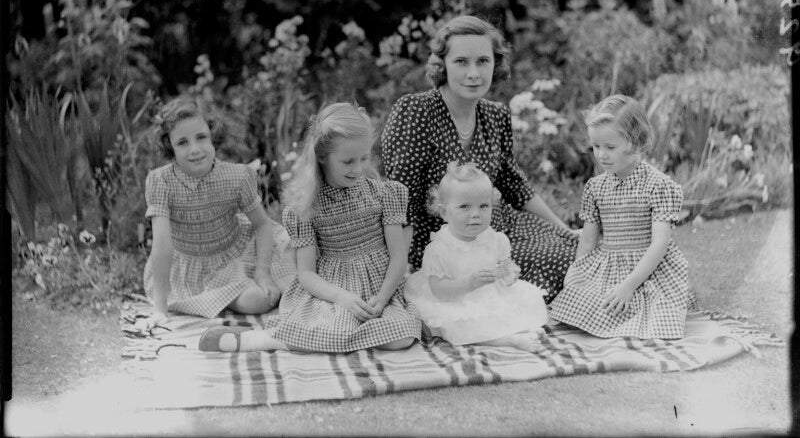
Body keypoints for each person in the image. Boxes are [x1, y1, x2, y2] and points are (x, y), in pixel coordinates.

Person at [381, 14, 578, 303]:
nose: (474, 73)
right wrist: (400, 271)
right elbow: (400, 199)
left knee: (575, 251)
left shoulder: (495, 114)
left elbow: (513, 184)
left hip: (494, 228)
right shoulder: (416, 111)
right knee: (543, 262)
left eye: (483, 61)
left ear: (495, 64)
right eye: (461, 61)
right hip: (445, 242)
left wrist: (563, 229)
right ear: (442, 65)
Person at [198, 102, 421, 353]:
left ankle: (314, 337)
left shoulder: (385, 195)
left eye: (364, 158)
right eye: (348, 161)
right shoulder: (306, 208)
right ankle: (257, 339)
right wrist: (341, 298)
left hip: (381, 287)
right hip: (333, 290)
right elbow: (306, 274)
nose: (358, 169)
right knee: (333, 329)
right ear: (323, 157)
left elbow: (398, 256)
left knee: (400, 338)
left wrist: (382, 297)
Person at [143, 96, 293, 329]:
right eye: (182, 142)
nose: (194, 150)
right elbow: (162, 246)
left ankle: (286, 287)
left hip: (236, 253)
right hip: (189, 268)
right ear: (169, 147)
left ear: (213, 135)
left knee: (288, 267)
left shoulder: (237, 176)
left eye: (201, 137)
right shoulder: (160, 181)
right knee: (257, 300)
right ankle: (223, 296)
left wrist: (262, 272)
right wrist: (160, 308)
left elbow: (262, 225)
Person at [548, 95, 690, 339]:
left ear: (636, 142)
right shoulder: (596, 187)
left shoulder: (657, 185)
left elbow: (660, 244)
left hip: (646, 268)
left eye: (610, 147)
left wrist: (628, 286)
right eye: (596, 146)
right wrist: (576, 277)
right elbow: (588, 242)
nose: (601, 155)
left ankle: (635, 312)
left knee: (646, 313)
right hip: (607, 266)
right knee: (582, 304)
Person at [404, 162, 548, 352]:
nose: (475, 214)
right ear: (444, 212)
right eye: (464, 207)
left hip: (489, 294)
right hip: (455, 298)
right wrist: (469, 283)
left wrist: (506, 272)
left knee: (522, 300)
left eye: (483, 206)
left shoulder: (494, 239)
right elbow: (439, 291)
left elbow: (503, 266)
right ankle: (508, 340)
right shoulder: (438, 249)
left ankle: (519, 327)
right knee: (464, 323)